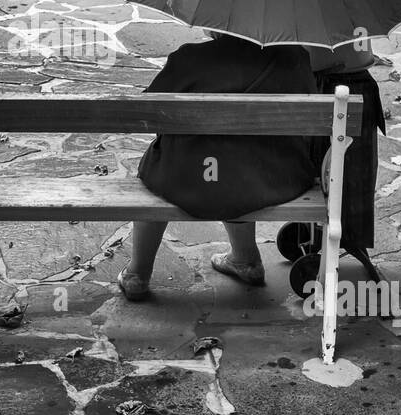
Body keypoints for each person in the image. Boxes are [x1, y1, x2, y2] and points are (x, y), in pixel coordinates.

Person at [118, 31, 319, 300]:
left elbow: (149, 113)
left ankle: (137, 274)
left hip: (188, 177)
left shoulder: (189, 59)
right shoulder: (293, 57)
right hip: (270, 178)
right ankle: (245, 259)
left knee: (158, 174)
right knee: (238, 161)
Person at [306, 40, 386, 274]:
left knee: (317, 165)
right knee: (350, 168)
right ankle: (352, 234)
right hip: (357, 85)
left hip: (317, 86)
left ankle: (320, 230)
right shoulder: (356, 4)